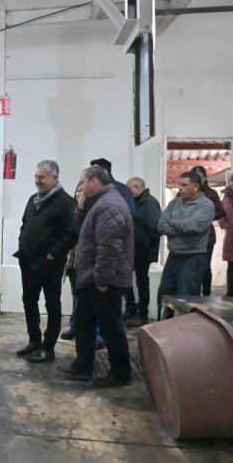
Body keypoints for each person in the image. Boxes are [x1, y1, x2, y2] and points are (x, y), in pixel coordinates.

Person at [56, 166, 134, 387]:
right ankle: (83, 366)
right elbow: (86, 233)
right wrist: (81, 209)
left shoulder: (110, 205)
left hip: (103, 280)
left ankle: (121, 373)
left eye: (83, 182)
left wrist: (102, 280)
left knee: (110, 327)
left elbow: (109, 248)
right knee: (84, 322)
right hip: (92, 276)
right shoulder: (100, 202)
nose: (80, 187)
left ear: (94, 182)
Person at [13, 160, 78, 364]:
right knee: (29, 301)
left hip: (50, 264)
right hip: (28, 260)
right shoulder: (33, 200)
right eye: (36, 176)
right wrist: (22, 244)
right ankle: (34, 341)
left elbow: (71, 234)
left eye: (42, 177)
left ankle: (48, 347)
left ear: (55, 178)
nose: (37, 181)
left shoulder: (66, 203)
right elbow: (25, 224)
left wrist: (52, 255)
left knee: (52, 304)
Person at [156, 171, 215, 315]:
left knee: (187, 301)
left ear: (196, 186)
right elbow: (161, 225)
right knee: (164, 297)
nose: (180, 188)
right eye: (179, 185)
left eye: (184, 185)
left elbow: (193, 226)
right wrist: (180, 226)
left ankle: (186, 328)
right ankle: (165, 326)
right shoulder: (175, 203)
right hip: (173, 257)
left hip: (193, 258)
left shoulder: (206, 205)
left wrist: (173, 222)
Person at [61, 181, 105, 350]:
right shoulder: (74, 210)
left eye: (83, 191)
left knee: (94, 302)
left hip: (90, 263)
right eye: (78, 191)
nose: (80, 194)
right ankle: (75, 327)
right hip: (74, 261)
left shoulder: (96, 211)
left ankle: (98, 336)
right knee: (76, 297)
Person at [124, 177, 162, 327]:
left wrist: (144, 246)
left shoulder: (149, 203)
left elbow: (155, 229)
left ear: (137, 188)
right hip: (132, 249)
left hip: (143, 251)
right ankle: (130, 308)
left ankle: (142, 314)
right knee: (125, 279)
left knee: (142, 282)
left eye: (129, 189)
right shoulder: (135, 202)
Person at [190, 166, 225, 296]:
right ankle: (191, 294)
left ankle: (206, 294)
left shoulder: (211, 194)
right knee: (191, 267)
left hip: (207, 236)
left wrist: (204, 217)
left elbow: (220, 212)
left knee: (204, 267)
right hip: (189, 235)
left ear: (205, 178)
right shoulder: (185, 192)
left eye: (200, 177)